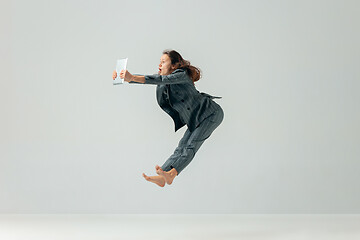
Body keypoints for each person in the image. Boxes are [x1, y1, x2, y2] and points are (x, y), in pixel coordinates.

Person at [112, 49, 224, 187]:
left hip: (210, 113)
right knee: (181, 146)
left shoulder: (181, 74)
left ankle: (172, 174)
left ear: (174, 66)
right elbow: (152, 79)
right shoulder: (165, 82)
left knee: (190, 145)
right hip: (195, 118)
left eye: (163, 62)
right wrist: (124, 77)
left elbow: (159, 79)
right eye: (159, 62)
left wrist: (132, 77)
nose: (159, 64)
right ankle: (163, 176)